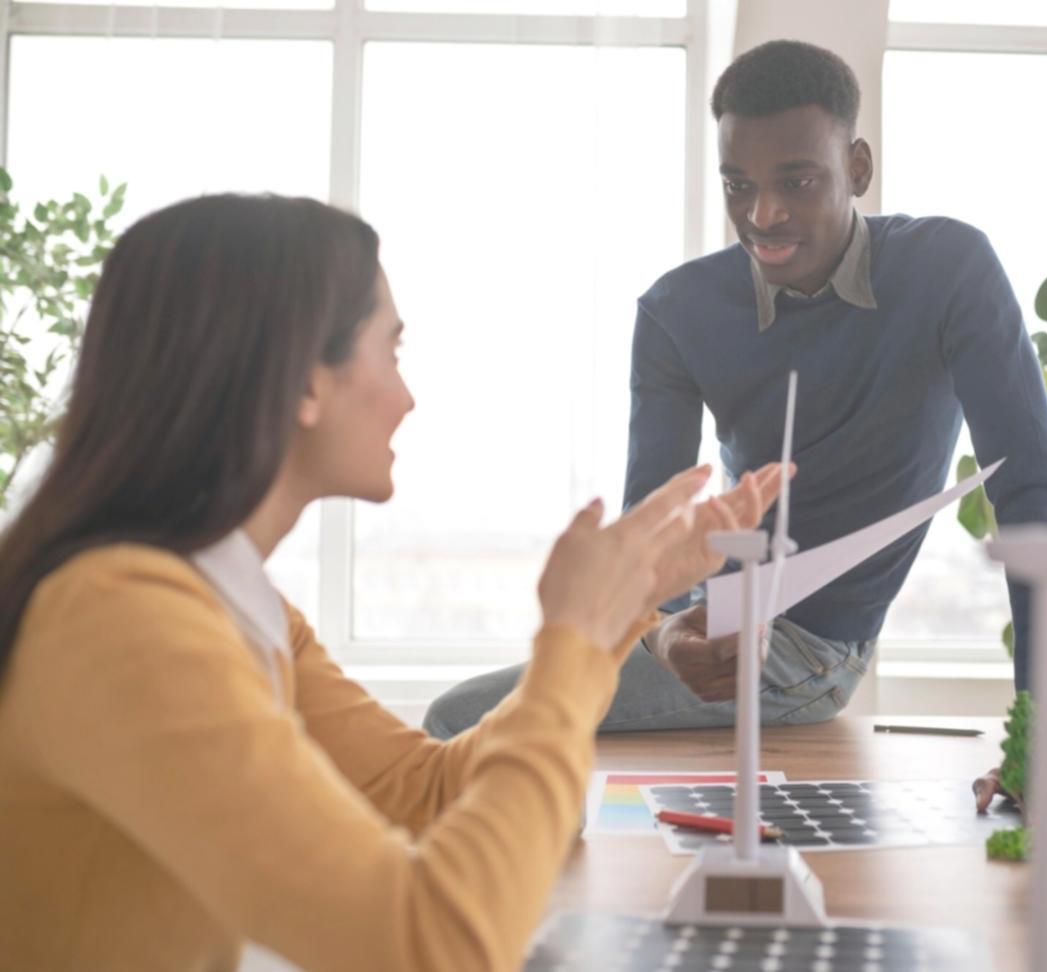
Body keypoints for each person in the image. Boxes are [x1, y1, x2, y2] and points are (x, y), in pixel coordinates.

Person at [0, 194, 782, 971]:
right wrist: (571, 642)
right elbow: (434, 946)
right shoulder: (125, 624)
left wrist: (612, 617)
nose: (407, 398)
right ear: (305, 381)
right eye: (392, 350)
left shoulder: (227, 607)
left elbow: (426, 792)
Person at [425, 39, 1047, 740]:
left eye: (796, 182)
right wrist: (670, 633)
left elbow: (1035, 495)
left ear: (857, 169)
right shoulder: (675, 313)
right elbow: (658, 532)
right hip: (709, 629)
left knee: (456, 722)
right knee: (471, 724)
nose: (762, 214)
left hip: (810, 651)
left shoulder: (949, 270)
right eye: (739, 184)